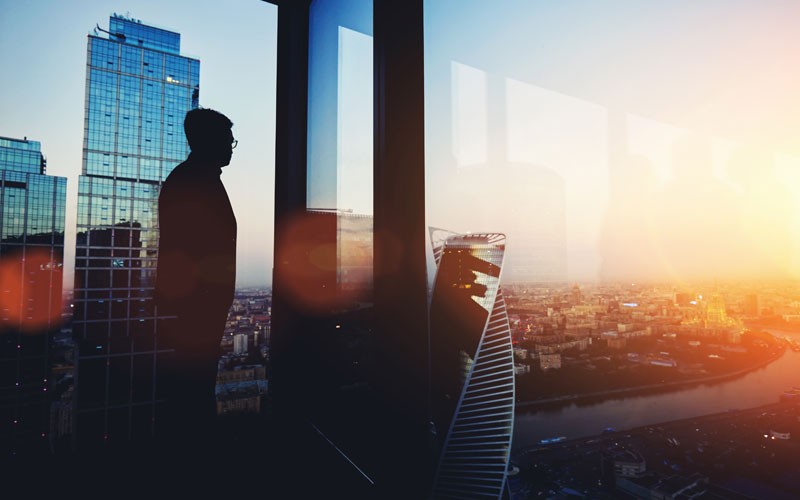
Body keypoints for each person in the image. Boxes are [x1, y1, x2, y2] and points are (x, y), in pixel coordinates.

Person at [154, 108, 237, 454]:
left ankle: (195, 451)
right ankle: (196, 457)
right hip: (195, 310)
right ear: (208, 141)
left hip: (196, 307)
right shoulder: (194, 182)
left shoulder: (194, 178)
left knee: (195, 388)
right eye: (227, 140)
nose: (232, 147)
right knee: (193, 390)